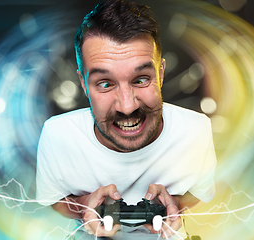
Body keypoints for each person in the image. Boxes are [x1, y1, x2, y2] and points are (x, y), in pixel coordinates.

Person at [36, 0, 217, 239]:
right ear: (83, 83)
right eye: (106, 84)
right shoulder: (57, 134)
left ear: (160, 74)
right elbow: (54, 199)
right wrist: (85, 205)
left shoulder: (196, 130)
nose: (128, 106)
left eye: (141, 79)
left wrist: (173, 204)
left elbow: (200, 193)